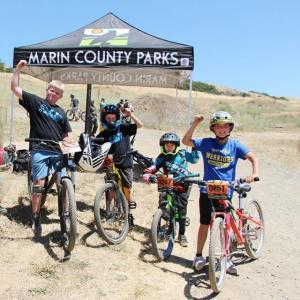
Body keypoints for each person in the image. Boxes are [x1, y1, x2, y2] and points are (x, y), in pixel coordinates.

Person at [182, 111, 259, 274]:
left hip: (226, 189)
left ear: (230, 128)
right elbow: (185, 141)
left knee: (225, 225)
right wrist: (195, 123)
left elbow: (253, 157)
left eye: (225, 126)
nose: (222, 129)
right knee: (204, 223)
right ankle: (198, 256)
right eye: (218, 126)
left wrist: (254, 173)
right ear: (213, 128)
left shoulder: (235, 145)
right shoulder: (206, 143)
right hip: (207, 189)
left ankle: (227, 258)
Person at [11, 60, 72, 235]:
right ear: (47, 90)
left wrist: (67, 143)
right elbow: (15, 88)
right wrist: (17, 70)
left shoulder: (61, 112)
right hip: (39, 149)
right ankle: (36, 216)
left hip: (57, 151)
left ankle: (67, 214)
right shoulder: (36, 102)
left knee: (66, 181)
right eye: (52, 90)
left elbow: (66, 134)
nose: (54, 93)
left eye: (58, 92)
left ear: (60, 96)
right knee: (39, 184)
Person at [142, 132, 200, 247]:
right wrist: (147, 173)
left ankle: (182, 234)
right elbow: (154, 166)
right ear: (162, 146)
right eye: (166, 145)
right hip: (168, 184)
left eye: (171, 145)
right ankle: (158, 228)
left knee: (182, 211)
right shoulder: (162, 157)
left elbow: (194, 159)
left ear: (176, 146)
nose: (169, 147)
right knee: (162, 204)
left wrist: (195, 146)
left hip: (183, 185)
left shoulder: (183, 154)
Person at [97, 104, 143, 226]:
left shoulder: (124, 128)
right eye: (108, 119)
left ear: (117, 118)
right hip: (111, 164)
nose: (111, 121)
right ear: (104, 119)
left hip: (126, 163)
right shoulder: (103, 134)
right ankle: (112, 213)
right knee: (111, 189)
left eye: (113, 118)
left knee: (128, 189)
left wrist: (130, 114)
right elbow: (95, 146)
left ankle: (130, 214)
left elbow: (140, 125)